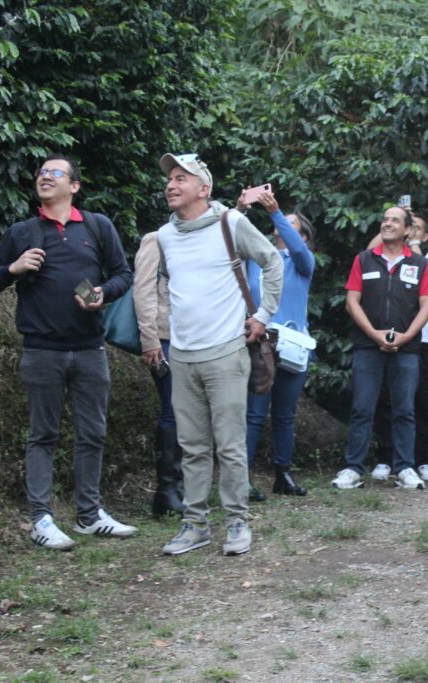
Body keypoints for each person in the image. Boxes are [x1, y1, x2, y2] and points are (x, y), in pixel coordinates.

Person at [0, 153, 136, 550]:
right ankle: (40, 519)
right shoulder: (23, 231)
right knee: (43, 434)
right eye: (41, 173)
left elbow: (123, 275)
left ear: (74, 186)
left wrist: (102, 294)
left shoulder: (97, 227)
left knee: (93, 433)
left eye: (55, 173)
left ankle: (88, 515)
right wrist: (13, 269)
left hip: (89, 349)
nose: (45, 177)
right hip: (41, 350)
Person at [156, 153, 284, 556]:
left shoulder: (232, 222)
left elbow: (273, 260)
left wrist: (264, 314)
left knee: (229, 445)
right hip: (182, 355)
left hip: (226, 352)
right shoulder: (164, 235)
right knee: (192, 446)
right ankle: (195, 526)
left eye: (181, 178)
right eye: (169, 179)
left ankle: (237, 523)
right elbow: (169, 286)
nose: (171, 184)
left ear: (203, 188)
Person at [331, 205, 428, 490]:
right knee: (362, 408)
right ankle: (353, 468)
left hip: (407, 348)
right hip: (368, 346)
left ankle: (404, 468)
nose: (387, 224)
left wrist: (407, 336)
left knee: (404, 409)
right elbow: (352, 301)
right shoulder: (364, 260)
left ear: (407, 230)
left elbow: (427, 305)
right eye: (385, 219)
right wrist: (374, 334)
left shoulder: (420, 264)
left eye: (394, 220)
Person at [237, 188, 316, 499]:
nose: (284, 223)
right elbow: (231, 243)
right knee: (255, 412)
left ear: (305, 237)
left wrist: (275, 212)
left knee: (285, 414)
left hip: (295, 345)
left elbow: (296, 249)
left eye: (292, 222)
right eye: (284, 220)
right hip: (261, 342)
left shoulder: (303, 261)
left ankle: (282, 474)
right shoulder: (258, 259)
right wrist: (240, 209)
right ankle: (241, 478)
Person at [369, 214, 428, 483]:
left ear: (423, 236)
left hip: (422, 341)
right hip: (389, 337)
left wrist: (408, 241)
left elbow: (422, 276)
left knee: (420, 403)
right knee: (387, 401)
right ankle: (386, 458)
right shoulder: (384, 255)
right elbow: (370, 252)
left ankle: (421, 460)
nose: (412, 234)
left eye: (417, 230)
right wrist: (393, 233)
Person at [134, 228, 183, 516]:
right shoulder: (156, 238)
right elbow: (142, 289)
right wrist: (150, 339)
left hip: (191, 338)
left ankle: (180, 488)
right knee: (173, 410)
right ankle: (166, 491)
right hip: (164, 337)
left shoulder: (197, 238)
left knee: (187, 412)